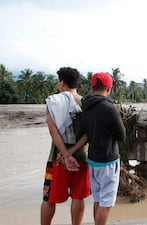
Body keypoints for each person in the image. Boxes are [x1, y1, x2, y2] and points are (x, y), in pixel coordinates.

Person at [41, 67, 90, 225]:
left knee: (49, 198)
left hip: (58, 158)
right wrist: (72, 153)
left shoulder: (53, 101)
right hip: (82, 157)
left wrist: (66, 155)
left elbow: (53, 131)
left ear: (62, 82)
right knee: (78, 196)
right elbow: (89, 133)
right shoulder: (86, 103)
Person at [82, 72, 126, 225]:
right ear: (109, 88)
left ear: (92, 86)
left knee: (98, 199)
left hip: (93, 159)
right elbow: (122, 136)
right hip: (107, 160)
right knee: (106, 204)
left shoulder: (85, 105)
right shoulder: (109, 107)